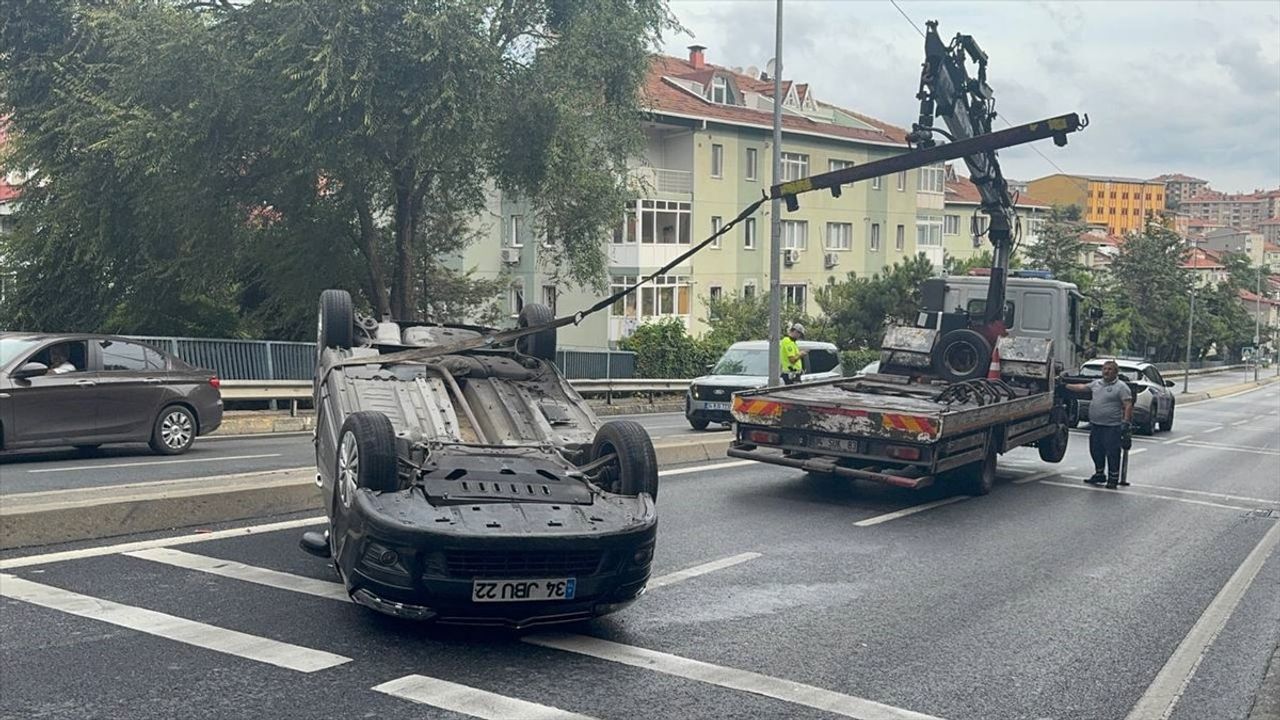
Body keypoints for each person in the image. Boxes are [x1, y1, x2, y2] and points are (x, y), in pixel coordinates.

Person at [1063, 360, 1133, 489]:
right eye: (1105, 369)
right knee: (1096, 450)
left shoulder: (1121, 387)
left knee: (1112, 452)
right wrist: (1065, 385)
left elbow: (1128, 405)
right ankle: (1099, 473)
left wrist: (1126, 422)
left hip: (1112, 426)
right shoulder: (1097, 384)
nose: (1106, 371)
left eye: (1110, 369)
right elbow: (1081, 387)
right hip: (1096, 425)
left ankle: (1113, 478)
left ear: (1116, 372)